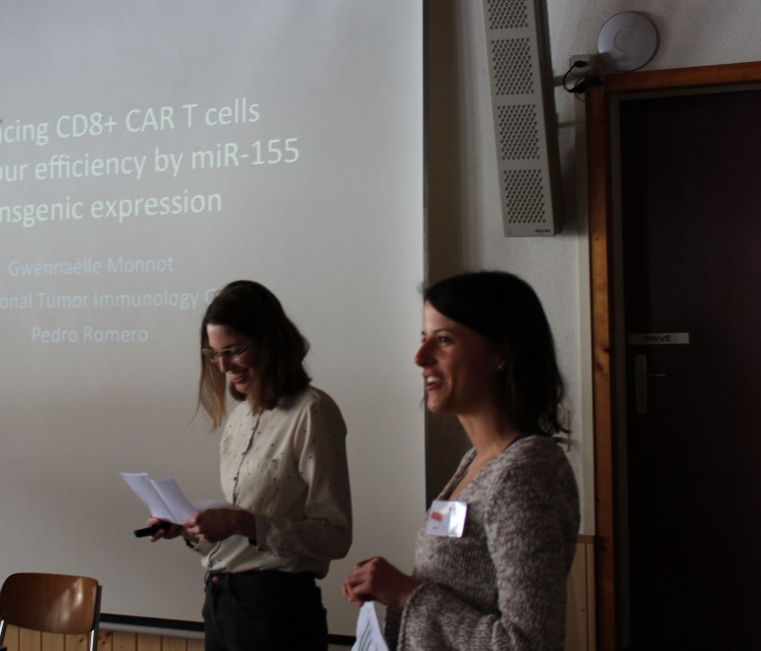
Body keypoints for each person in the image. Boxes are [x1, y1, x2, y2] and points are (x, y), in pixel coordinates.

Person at [341, 270, 579, 650]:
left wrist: (406, 594)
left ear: (501, 354)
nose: (420, 357)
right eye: (423, 338)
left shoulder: (524, 474)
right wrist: (395, 591)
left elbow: (528, 644)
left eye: (444, 340)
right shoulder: (476, 462)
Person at [149, 280, 352, 651]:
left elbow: (335, 536)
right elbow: (243, 535)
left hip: (277, 610)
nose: (223, 366)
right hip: (221, 600)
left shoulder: (312, 411)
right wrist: (190, 527)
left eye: (234, 351)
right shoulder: (240, 418)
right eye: (214, 355)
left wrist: (241, 523)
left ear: (271, 341)